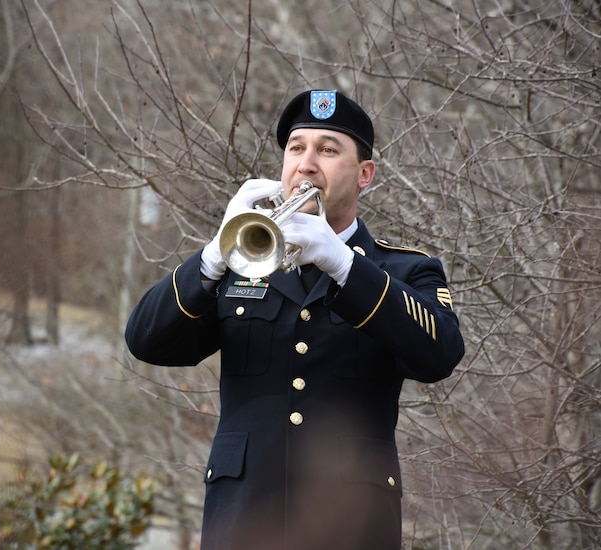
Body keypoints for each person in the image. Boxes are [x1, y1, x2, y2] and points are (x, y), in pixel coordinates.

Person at [125, 89, 465, 550]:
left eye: (328, 149)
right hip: (242, 520)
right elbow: (145, 340)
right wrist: (213, 255)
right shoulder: (241, 262)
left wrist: (345, 266)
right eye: (296, 148)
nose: (306, 164)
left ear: (365, 174)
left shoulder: (403, 270)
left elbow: (440, 353)